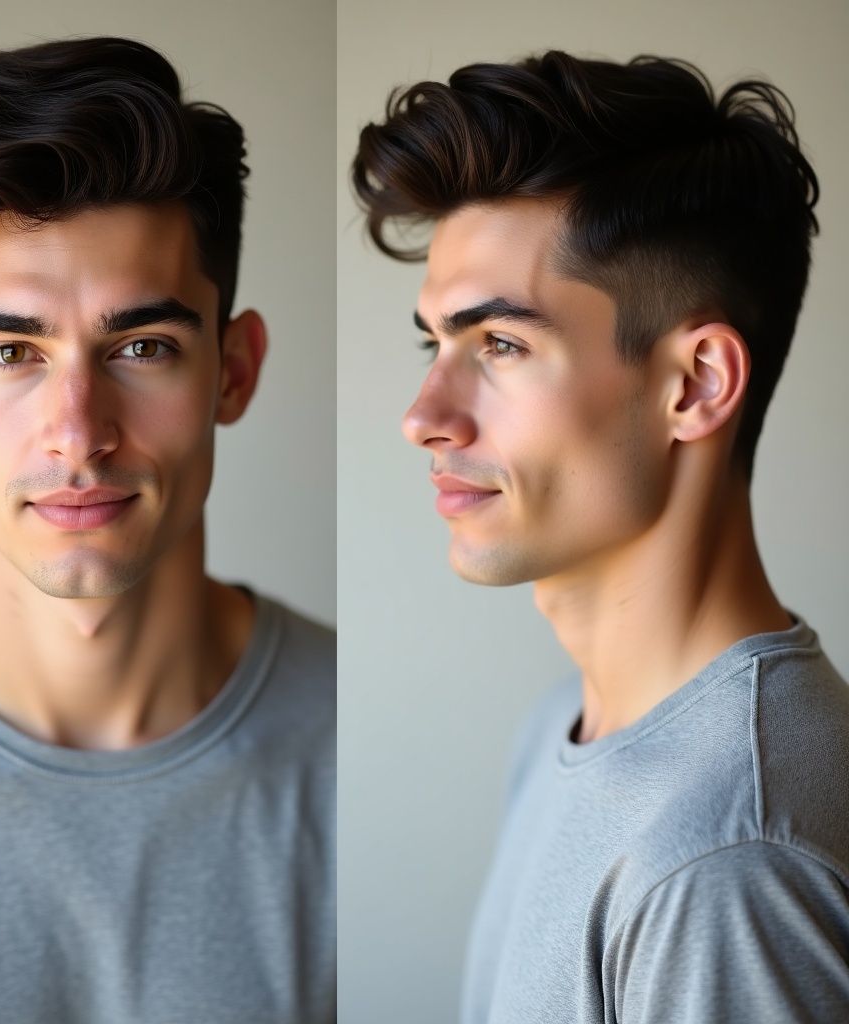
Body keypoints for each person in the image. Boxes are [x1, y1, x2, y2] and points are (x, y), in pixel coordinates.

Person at [0, 37, 334, 1023]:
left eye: (141, 346)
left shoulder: (358, 753)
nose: (78, 434)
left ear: (234, 368)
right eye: (11, 351)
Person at [352, 51, 849, 1022]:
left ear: (695, 384)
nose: (424, 414)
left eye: (499, 344)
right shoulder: (562, 728)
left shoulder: (725, 861)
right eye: (434, 343)